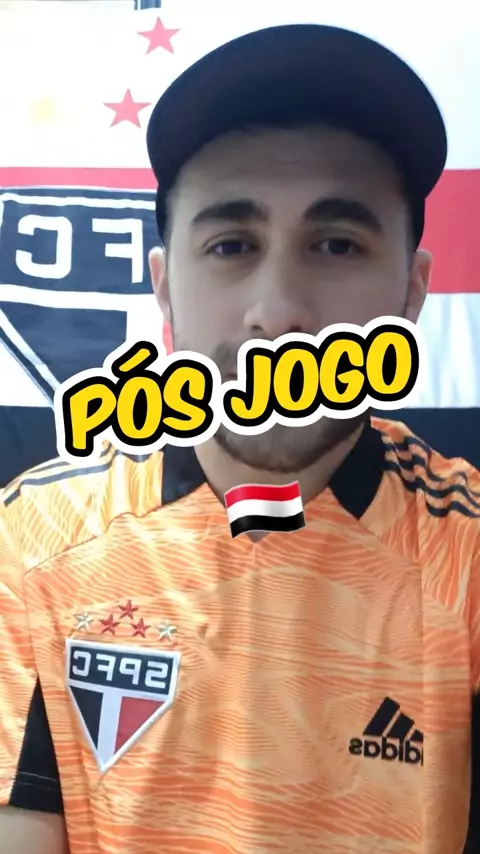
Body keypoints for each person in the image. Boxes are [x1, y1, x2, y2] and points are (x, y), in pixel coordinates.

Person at [0, 21, 479, 854]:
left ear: (411, 291)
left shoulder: (464, 552)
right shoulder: (34, 539)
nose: (278, 313)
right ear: (164, 289)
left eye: (336, 244)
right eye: (231, 245)